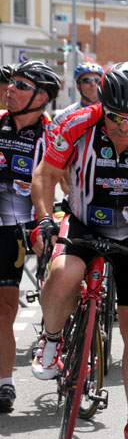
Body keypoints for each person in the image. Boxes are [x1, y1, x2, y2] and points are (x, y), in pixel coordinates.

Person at [30, 62, 128, 439]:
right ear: (103, 104)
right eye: (115, 117)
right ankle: (51, 337)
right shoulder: (76, 124)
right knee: (64, 274)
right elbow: (45, 176)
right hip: (83, 221)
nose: (123, 126)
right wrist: (47, 219)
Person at [0, 61, 60, 413]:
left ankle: (60, 340)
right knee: (5, 306)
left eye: (21, 85)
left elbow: (69, 184)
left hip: (41, 224)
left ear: (41, 98)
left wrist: (54, 221)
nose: (10, 88)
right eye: (12, 83)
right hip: (5, 227)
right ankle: (5, 383)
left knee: (61, 285)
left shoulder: (53, 135)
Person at [53, 62, 104, 126]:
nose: (93, 84)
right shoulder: (63, 117)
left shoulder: (111, 112)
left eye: (97, 80)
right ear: (78, 87)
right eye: (87, 80)